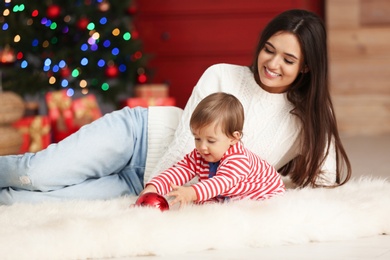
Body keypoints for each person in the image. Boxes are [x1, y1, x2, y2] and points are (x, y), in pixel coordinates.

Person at [0, 9, 351, 205]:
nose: (272, 63)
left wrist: (269, 186)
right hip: (138, 136)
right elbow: (186, 146)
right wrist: (159, 198)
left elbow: (327, 181)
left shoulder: (308, 117)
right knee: (35, 174)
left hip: (143, 183)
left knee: (21, 204)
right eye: (269, 49)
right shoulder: (223, 76)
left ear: (306, 67)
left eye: (288, 59)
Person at [142, 92, 285, 207]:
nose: (202, 147)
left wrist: (192, 193)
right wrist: (154, 188)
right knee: (208, 202)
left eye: (211, 141)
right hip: (226, 193)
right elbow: (179, 171)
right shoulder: (200, 154)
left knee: (247, 211)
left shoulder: (239, 160)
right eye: (197, 138)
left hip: (263, 194)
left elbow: (221, 182)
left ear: (233, 138)